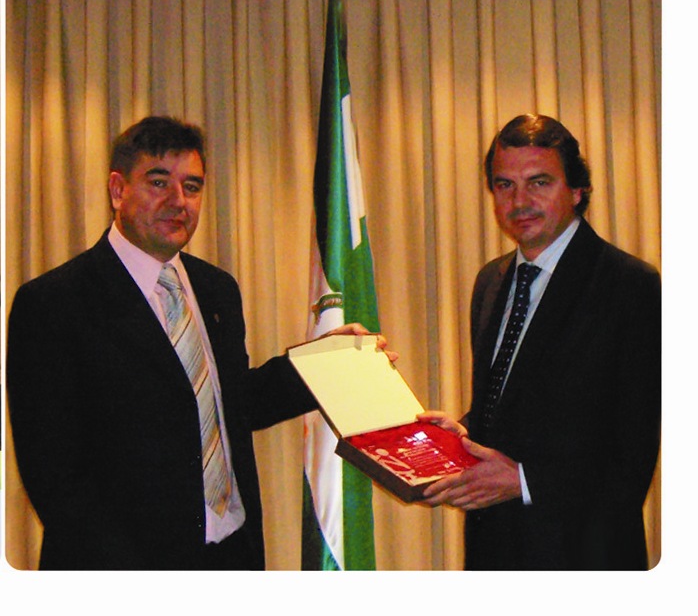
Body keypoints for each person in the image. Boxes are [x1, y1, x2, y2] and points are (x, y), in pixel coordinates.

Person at [6, 115, 388, 570]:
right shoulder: (53, 303)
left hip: (231, 556)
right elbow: (54, 478)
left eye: (192, 186)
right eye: (158, 182)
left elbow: (231, 402)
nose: (178, 201)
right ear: (117, 189)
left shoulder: (216, 289)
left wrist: (327, 363)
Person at [419, 114, 661, 570]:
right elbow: (511, 407)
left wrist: (524, 482)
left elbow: (632, 456)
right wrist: (462, 436)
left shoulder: (631, 286)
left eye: (539, 183)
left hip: (585, 560)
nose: (520, 202)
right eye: (504, 185)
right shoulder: (490, 281)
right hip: (493, 554)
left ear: (577, 190)